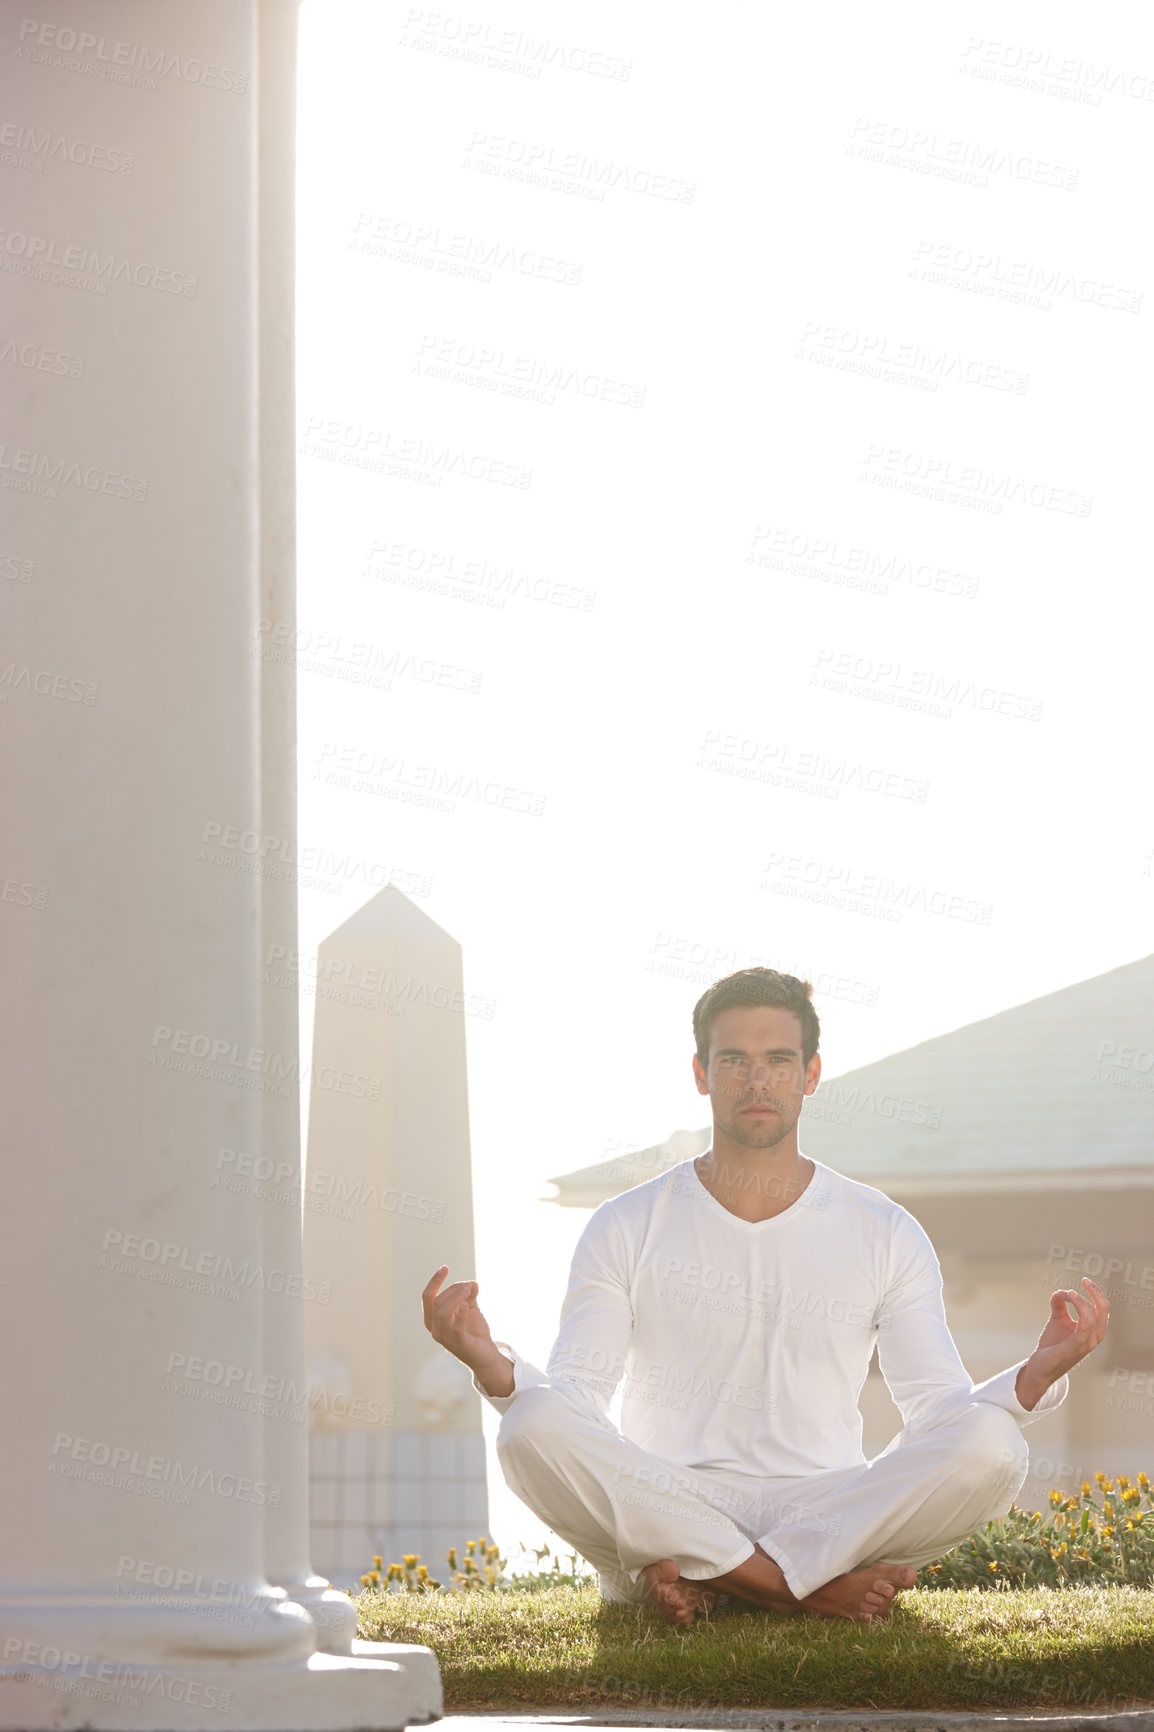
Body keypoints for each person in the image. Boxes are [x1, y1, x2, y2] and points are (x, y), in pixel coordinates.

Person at [421, 967, 1109, 1625]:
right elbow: (575, 1398)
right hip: (672, 1497)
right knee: (528, 1426)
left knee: (994, 1446)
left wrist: (1034, 1377)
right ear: (701, 1074)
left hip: (827, 1511)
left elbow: (936, 1411)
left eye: (779, 1060)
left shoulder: (883, 1229)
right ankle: (800, 1591)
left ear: (811, 1075)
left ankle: (715, 1579)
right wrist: (493, 1367)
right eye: (734, 1061)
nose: (758, 1080)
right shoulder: (626, 1223)